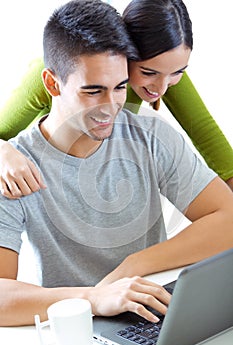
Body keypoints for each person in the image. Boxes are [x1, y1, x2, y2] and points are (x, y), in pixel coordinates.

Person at [0, 0, 233, 327]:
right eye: (93, 91)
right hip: (77, 328)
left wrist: (133, 265)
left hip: (151, 317)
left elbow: (229, 215)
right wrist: (94, 298)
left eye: (121, 87)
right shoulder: (14, 168)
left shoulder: (150, 135)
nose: (111, 107)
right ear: (52, 84)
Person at [0, 0, 232, 199]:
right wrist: (5, 152)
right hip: (48, 181)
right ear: (124, 53)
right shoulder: (64, 73)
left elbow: (206, 135)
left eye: (177, 72)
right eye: (148, 73)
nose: (161, 88)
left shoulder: (162, 70)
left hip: (110, 180)